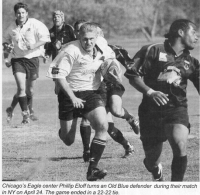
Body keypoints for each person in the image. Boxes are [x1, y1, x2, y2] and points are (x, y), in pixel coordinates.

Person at [124, 19, 199, 181]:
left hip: (177, 109)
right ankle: (155, 169)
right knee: (152, 160)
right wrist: (150, 92)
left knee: (180, 144)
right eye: (194, 32)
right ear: (180, 32)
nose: (197, 37)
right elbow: (132, 75)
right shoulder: (152, 50)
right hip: (150, 112)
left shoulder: (191, 62)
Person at [47, 22, 117, 181]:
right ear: (79, 36)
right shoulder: (70, 51)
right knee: (68, 140)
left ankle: (92, 169)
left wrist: (111, 69)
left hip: (92, 92)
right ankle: (63, 131)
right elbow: (59, 75)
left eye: (92, 39)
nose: (89, 42)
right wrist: (73, 98)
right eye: (85, 39)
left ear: (97, 37)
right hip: (69, 94)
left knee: (102, 125)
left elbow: (111, 61)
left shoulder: (103, 46)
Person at [74, 20, 138, 162]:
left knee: (116, 110)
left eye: (97, 33)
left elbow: (130, 65)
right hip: (95, 89)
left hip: (112, 86)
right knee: (106, 126)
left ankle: (130, 118)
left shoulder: (112, 49)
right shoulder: (79, 51)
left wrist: (127, 70)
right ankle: (124, 146)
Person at [3, 2, 50, 124]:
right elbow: (4, 42)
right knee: (21, 87)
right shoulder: (11, 27)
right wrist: (6, 56)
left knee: (30, 90)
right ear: (15, 14)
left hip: (32, 59)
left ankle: (13, 108)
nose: (21, 15)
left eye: (23, 12)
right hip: (17, 60)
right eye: (18, 13)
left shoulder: (35, 24)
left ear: (27, 13)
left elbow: (45, 38)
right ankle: (25, 115)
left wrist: (34, 45)